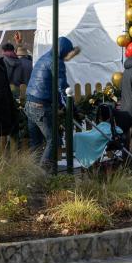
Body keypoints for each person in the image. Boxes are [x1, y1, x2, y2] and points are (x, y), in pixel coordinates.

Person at [25, 36, 80, 166]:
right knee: (54, 140)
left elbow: (48, 84)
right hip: (41, 106)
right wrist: (72, 109)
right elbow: (63, 88)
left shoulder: (43, 58)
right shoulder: (57, 62)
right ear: (63, 50)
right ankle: (42, 173)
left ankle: (31, 174)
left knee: (36, 142)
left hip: (29, 104)